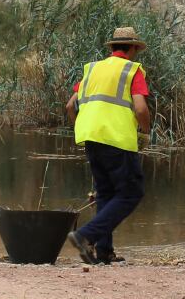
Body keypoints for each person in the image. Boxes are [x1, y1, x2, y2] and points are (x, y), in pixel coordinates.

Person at [64, 27, 152, 265]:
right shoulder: (132, 70)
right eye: (136, 49)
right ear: (133, 48)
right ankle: (85, 236)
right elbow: (141, 108)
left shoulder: (92, 69)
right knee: (131, 193)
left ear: (112, 47)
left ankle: (104, 251)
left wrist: (83, 127)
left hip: (91, 137)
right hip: (117, 138)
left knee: (105, 193)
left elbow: (70, 106)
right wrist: (145, 132)